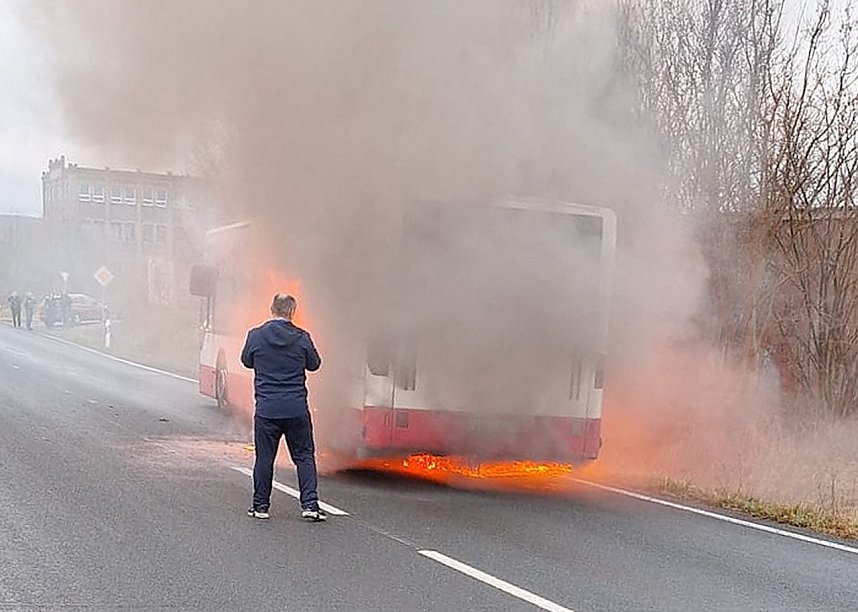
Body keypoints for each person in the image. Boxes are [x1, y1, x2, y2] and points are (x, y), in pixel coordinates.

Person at [240, 293, 325, 521]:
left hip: (267, 410)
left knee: (264, 458)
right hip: (296, 409)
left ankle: (260, 507)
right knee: (304, 456)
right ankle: (310, 505)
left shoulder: (255, 336)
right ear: (292, 311)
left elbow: (246, 360)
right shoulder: (302, 337)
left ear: (271, 309)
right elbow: (314, 365)